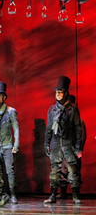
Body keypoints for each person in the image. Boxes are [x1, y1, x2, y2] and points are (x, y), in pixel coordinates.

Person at [43, 76, 83, 205]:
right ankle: (53, 195)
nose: (58, 94)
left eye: (60, 92)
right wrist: (46, 143)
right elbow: (49, 128)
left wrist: (78, 146)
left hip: (68, 143)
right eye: (56, 92)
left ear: (66, 94)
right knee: (55, 170)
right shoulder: (52, 110)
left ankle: (75, 196)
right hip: (56, 143)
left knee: (72, 169)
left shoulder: (73, 109)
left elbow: (78, 129)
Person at [0, 81, 20, 204]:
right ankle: (2, 194)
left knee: (10, 171)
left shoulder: (10, 111)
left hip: (7, 145)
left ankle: (13, 194)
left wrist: (16, 144)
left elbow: (16, 128)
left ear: (4, 97)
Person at [58, 94, 86, 199]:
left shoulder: (79, 121)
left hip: (74, 151)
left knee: (75, 172)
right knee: (63, 171)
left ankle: (76, 194)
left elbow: (82, 136)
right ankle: (63, 192)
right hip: (65, 151)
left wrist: (78, 150)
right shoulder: (64, 121)